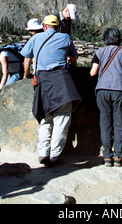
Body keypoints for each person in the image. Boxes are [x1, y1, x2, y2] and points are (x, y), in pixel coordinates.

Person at [21, 15, 81, 167]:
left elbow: (26, 59)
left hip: (43, 81)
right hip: (62, 81)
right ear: (57, 26)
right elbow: (73, 58)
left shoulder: (35, 39)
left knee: (45, 117)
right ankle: (54, 156)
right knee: (62, 119)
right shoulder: (65, 37)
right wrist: (72, 68)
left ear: (45, 26)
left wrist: (26, 75)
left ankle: (43, 153)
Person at [90, 27, 122, 167]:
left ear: (105, 38)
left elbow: (93, 73)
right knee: (119, 121)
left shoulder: (99, 52)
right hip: (120, 90)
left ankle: (107, 156)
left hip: (102, 90)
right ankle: (118, 155)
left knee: (105, 121)